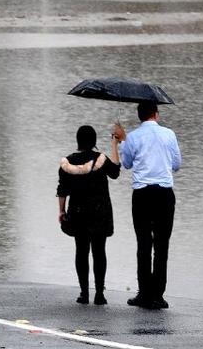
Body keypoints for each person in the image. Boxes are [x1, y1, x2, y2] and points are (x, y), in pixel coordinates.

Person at [113, 101, 181, 309]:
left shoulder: (133, 137)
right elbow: (177, 165)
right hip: (164, 194)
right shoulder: (169, 134)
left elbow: (126, 164)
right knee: (162, 245)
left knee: (143, 243)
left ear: (139, 116)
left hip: (142, 194)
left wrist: (123, 141)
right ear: (156, 114)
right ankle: (158, 295)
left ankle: (144, 293)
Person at [57, 125, 121, 305]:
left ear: (78, 141)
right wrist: (114, 144)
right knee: (99, 252)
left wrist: (61, 211)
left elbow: (62, 190)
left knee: (81, 251)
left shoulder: (67, 163)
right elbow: (115, 172)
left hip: (78, 213)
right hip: (99, 213)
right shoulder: (100, 159)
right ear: (94, 142)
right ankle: (99, 294)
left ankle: (84, 293)